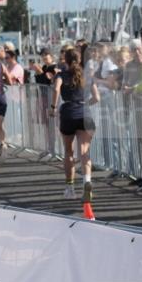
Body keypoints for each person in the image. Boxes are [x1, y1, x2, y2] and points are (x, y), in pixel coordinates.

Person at [51, 48, 100, 201]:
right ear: (80, 60)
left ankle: (70, 188)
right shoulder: (87, 76)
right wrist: (86, 104)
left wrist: (53, 107)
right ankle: (87, 182)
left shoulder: (61, 75)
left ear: (65, 60)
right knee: (84, 151)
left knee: (68, 152)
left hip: (68, 112)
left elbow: (56, 88)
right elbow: (97, 97)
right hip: (84, 112)